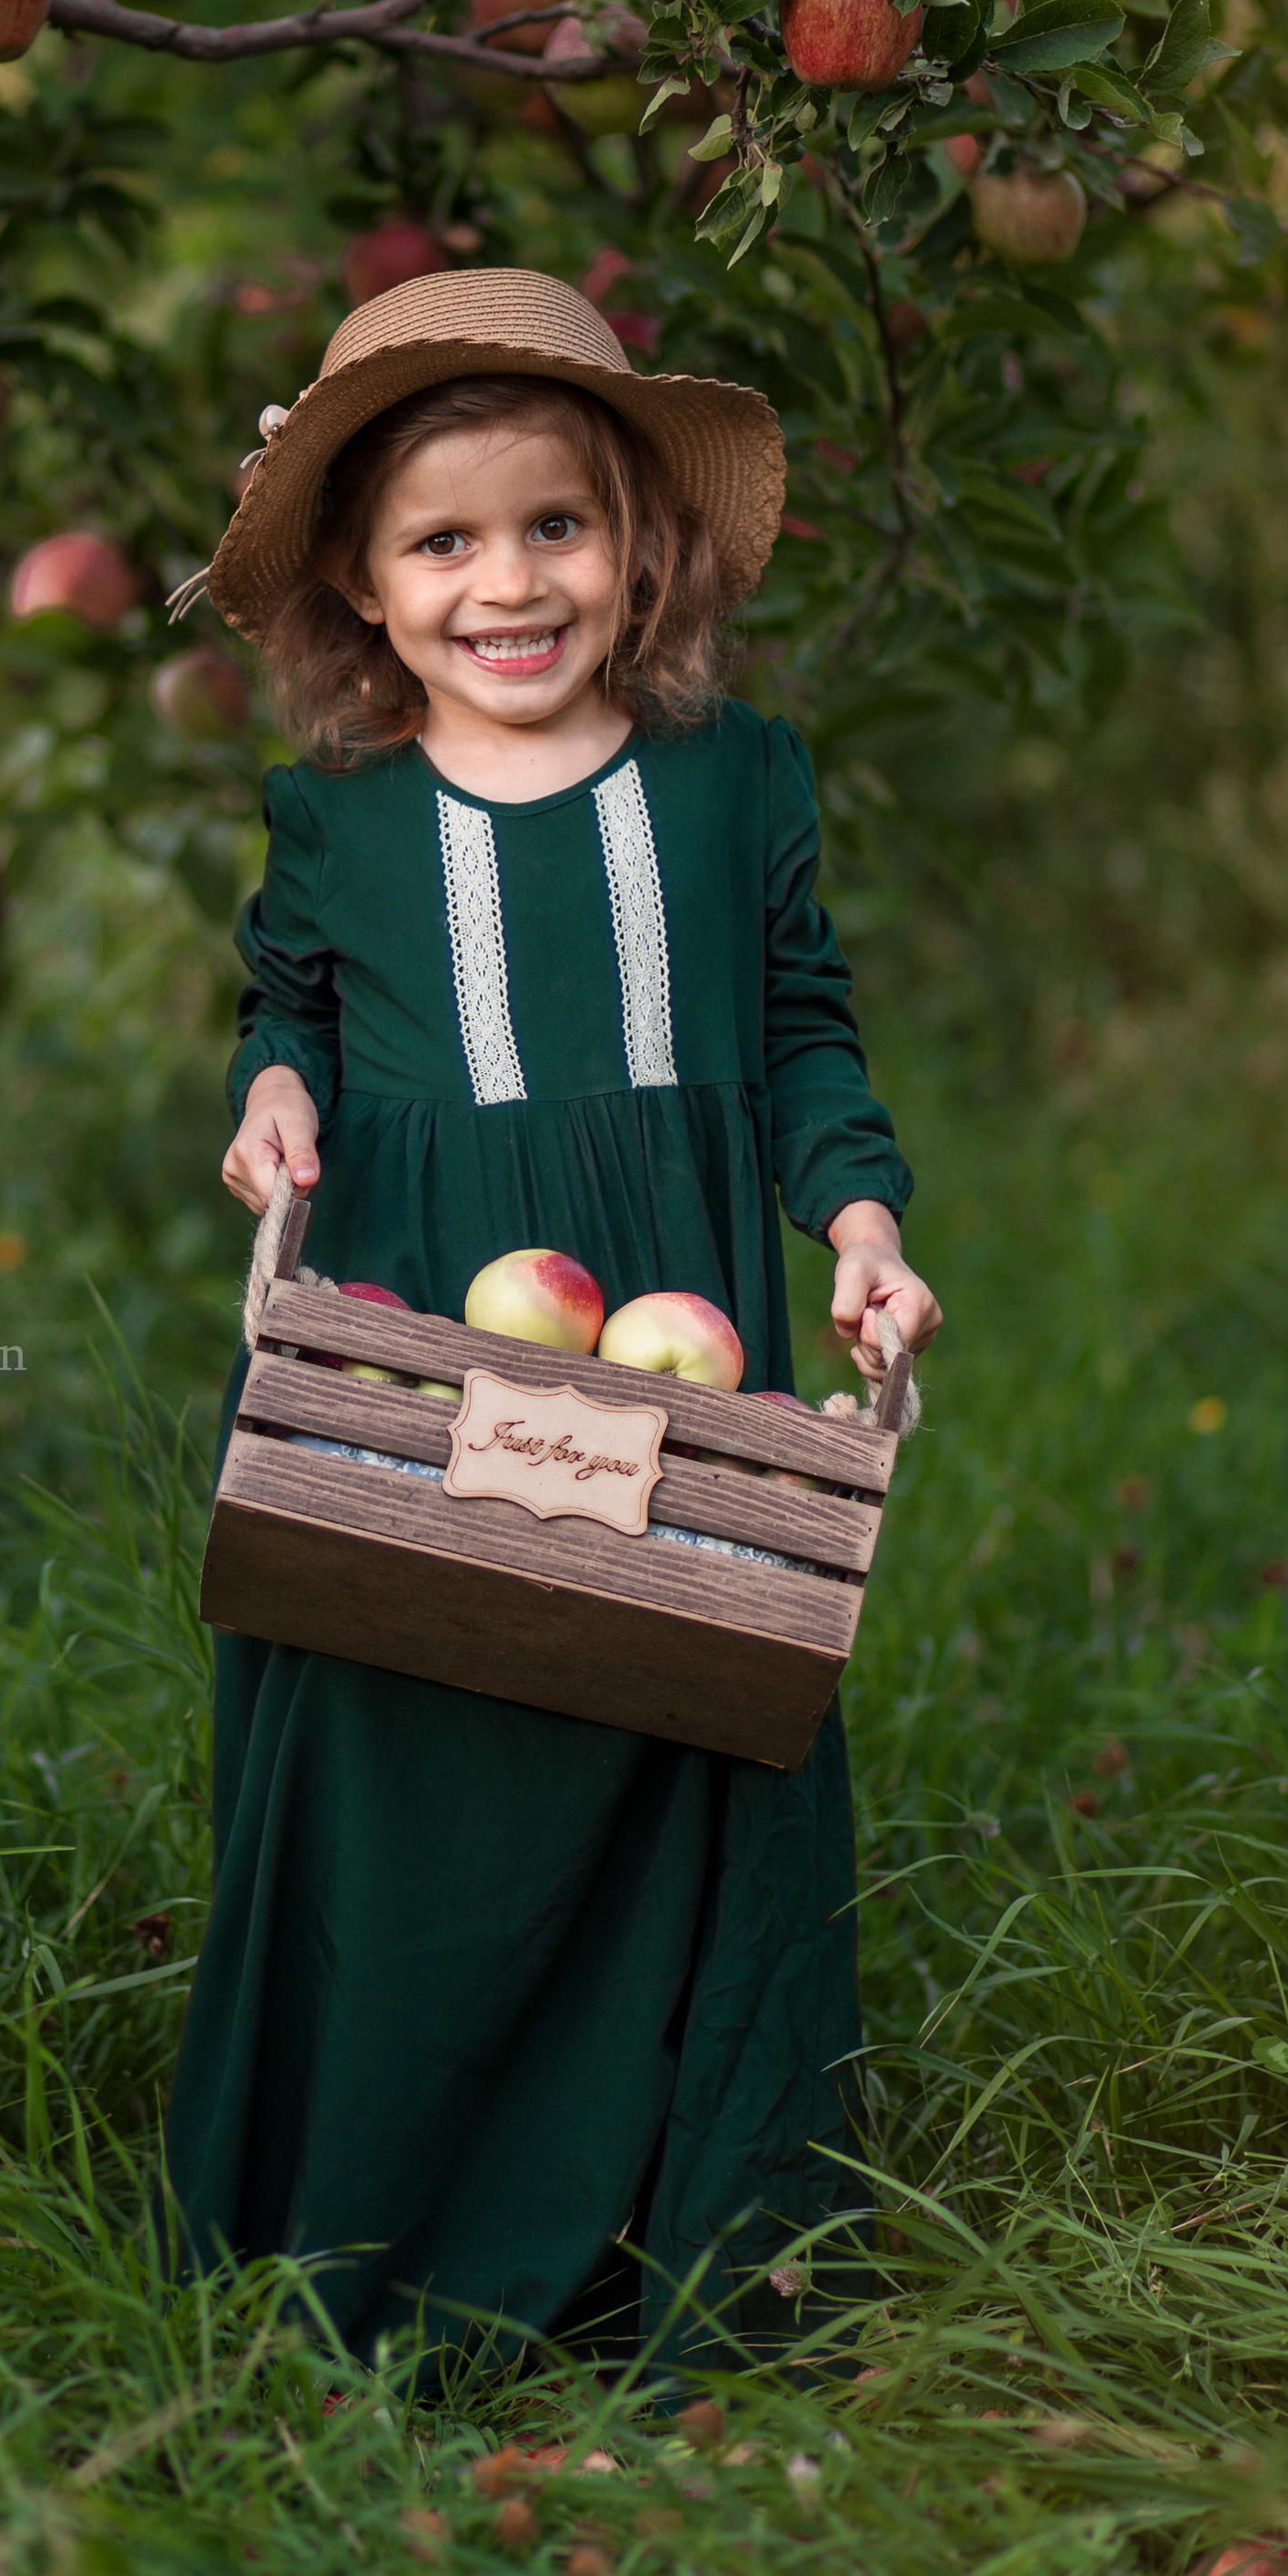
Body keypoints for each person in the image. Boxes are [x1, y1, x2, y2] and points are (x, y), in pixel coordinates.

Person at [161, 266, 941, 2383]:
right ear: (357, 580)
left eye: (555, 527)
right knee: (404, 1744)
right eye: (442, 540)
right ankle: (372, 2229)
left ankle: (681, 2251)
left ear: (635, 544)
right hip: (418, 1326)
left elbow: (800, 1044)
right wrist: (275, 1092)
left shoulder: (728, 782)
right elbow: (287, 1001)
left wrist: (855, 1227)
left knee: (671, 1720)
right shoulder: (332, 816)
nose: (506, 583)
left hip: (671, 1318)